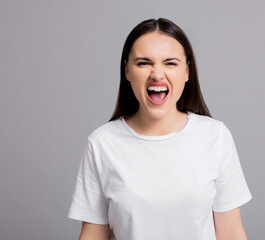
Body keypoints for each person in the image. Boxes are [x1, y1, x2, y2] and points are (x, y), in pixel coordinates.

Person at [67, 18, 252, 240]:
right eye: (143, 63)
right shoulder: (102, 143)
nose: (157, 74)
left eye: (170, 63)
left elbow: (231, 233)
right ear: (127, 71)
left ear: (187, 72)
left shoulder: (215, 136)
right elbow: (93, 235)